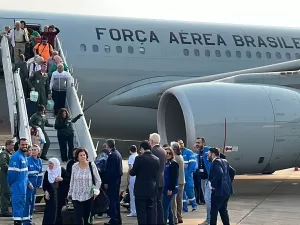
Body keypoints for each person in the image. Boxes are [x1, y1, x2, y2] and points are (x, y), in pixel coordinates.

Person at [129, 140, 160, 225]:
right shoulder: (156, 159)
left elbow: (133, 173)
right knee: (151, 212)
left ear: (142, 148)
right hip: (152, 189)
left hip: (141, 190)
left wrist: (131, 168)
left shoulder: (139, 158)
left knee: (141, 213)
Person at [68, 148, 101, 225]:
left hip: (88, 196)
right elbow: (72, 181)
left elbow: (98, 180)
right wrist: (70, 193)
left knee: (87, 217)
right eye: (81, 155)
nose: (83, 157)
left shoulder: (91, 165)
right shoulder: (74, 166)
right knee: (78, 217)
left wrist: (96, 191)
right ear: (77, 157)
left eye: (84, 155)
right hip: (76, 195)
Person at [208, 148, 236, 225]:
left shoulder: (216, 162)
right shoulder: (224, 161)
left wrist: (213, 184)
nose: (207, 156)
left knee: (214, 212)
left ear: (213, 154)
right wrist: (228, 183)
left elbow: (219, 173)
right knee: (223, 210)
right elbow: (232, 172)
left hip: (218, 191)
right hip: (227, 191)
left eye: (208, 154)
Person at [7, 138, 29, 225]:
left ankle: (20, 221)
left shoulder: (24, 156)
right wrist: (13, 185)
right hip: (17, 186)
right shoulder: (16, 156)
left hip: (23, 186)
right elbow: (11, 174)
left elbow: (25, 174)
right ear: (19, 145)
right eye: (23, 144)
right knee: (17, 204)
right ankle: (17, 222)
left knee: (21, 204)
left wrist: (27, 183)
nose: (25, 146)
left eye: (26, 144)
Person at [42, 158, 70, 225]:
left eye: (51, 163)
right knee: (50, 211)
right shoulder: (48, 172)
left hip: (60, 194)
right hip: (51, 194)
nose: (49, 165)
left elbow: (68, 179)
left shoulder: (61, 170)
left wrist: (62, 179)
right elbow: (45, 184)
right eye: (49, 163)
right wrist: (46, 192)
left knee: (59, 210)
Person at [102, 139, 123, 225]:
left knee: (112, 200)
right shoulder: (117, 153)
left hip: (112, 181)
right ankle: (118, 219)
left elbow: (109, 171)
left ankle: (114, 219)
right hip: (117, 180)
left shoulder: (112, 155)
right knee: (116, 200)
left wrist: (106, 181)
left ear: (107, 146)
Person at [23, 144, 43, 225]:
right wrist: (28, 183)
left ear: (38, 151)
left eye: (35, 150)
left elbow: (40, 174)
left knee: (32, 202)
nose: (33, 151)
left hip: (34, 185)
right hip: (28, 184)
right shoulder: (27, 160)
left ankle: (30, 218)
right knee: (27, 201)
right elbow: (24, 174)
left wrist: (38, 185)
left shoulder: (39, 161)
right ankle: (26, 221)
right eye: (32, 150)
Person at [149, 133, 166, 225]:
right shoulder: (163, 151)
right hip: (161, 180)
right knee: (159, 204)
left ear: (151, 141)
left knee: (154, 205)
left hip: (154, 181)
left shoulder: (152, 151)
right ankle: (161, 222)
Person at [177, 139, 197, 212]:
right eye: (179, 144)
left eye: (182, 143)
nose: (181, 145)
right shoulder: (176, 154)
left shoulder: (189, 152)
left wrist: (189, 172)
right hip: (180, 176)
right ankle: (184, 208)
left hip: (187, 176)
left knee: (189, 191)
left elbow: (193, 164)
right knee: (182, 193)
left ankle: (194, 205)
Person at [162, 147, 179, 225]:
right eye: (166, 153)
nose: (168, 154)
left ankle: (164, 222)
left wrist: (170, 189)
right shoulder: (165, 163)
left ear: (172, 154)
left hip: (169, 189)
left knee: (164, 208)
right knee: (168, 207)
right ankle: (171, 222)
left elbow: (174, 178)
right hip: (164, 188)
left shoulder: (173, 164)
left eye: (169, 153)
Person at [171, 142, 185, 224]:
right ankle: (179, 217)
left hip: (177, 182)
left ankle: (174, 218)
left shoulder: (175, 158)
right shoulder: (180, 156)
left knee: (174, 201)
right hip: (182, 181)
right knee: (179, 200)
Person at [0, 139, 15, 217]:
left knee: (8, 192)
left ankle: (5, 209)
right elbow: (3, 165)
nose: (13, 146)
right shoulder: (4, 154)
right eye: (12, 145)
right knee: (5, 192)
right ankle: (4, 210)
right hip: (5, 176)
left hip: (9, 177)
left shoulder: (11, 154)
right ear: (7, 145)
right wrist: (11, 171)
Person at [127, 145, 138, 217]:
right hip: (138, 177)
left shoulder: (131, 157)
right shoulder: (138, 156)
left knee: (132, 195)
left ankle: (133, 211)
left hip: (132, 177)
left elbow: (130, 168)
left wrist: (128, 178)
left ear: (130, 151)